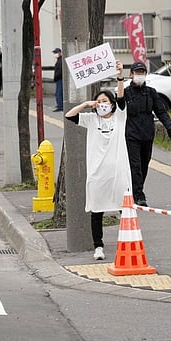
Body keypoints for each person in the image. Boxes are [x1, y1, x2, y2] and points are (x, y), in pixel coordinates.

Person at [65, 60, 130, 261]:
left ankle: (126, 242)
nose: (102, 104)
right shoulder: (91, 120)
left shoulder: (120, 117)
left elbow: (121, 97)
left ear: (111, 104)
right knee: (97, 210)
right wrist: (86, 104)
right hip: (97, 173)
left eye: (105, 101)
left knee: (124, 208)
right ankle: (98, 246)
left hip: (118, 171)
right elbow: (69, 115)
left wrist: (120, 75)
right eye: (99, 101)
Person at [124, 61, 171, 206]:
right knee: (135, 165)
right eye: (137, 72)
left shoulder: (151, 92)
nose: (139, 75)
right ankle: (139, 195)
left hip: (147, 134)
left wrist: (169, 127)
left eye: (142, 73)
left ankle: (135, 190)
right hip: (131, 135)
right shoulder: (126, 92)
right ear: (131, 74)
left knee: (144, 165)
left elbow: (161, 112)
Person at [52, 48, 63, 112]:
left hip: (59, 78)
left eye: (56, 53)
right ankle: (60, 105)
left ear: (60, 52)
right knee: (59, 93)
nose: (55, 54)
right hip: (59, 78)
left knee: (58, 93)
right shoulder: (59, 60)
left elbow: (59, 71)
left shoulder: (60, 61)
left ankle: (60, 106)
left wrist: (56, 77)